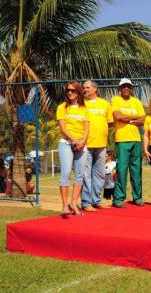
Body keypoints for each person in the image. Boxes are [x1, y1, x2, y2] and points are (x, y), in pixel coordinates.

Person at [111, 78, 146, 208]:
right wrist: (134, 119)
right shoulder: (115, 100)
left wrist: (127, 120)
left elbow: (143, 120)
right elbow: (117, 117)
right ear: (120, 88)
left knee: (136, 170)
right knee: (121, 169)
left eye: (129, 86)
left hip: (136, 140)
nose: (126, 88)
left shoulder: (136, 102)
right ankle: (119, 199)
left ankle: (137, 197)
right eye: (124, 86)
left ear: (131, 88)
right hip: (122, 140)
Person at [56, 82, 89, 216]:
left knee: (80, 174)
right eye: (68, 90)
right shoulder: (62, 107)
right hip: (66, 143)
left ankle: (74, 204)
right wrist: (75, 141)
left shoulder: (84, 109)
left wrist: (82, 142)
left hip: (81, 144)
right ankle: (65, 206)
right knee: (66, 173)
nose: (70, 93)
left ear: (78, 93)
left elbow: (87, 129)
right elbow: (63, 129)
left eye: (73, 91)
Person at [81, 80, 113, 211]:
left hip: (101, 144)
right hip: (86, 144)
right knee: (86, 175)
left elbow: (110, 122)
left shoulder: (105, 104)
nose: (85, 89)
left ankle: (96, 200)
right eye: (84, 88)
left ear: (95, 89)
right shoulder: (81, 104)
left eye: (87, 87)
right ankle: (86, 202)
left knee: (99, 174)